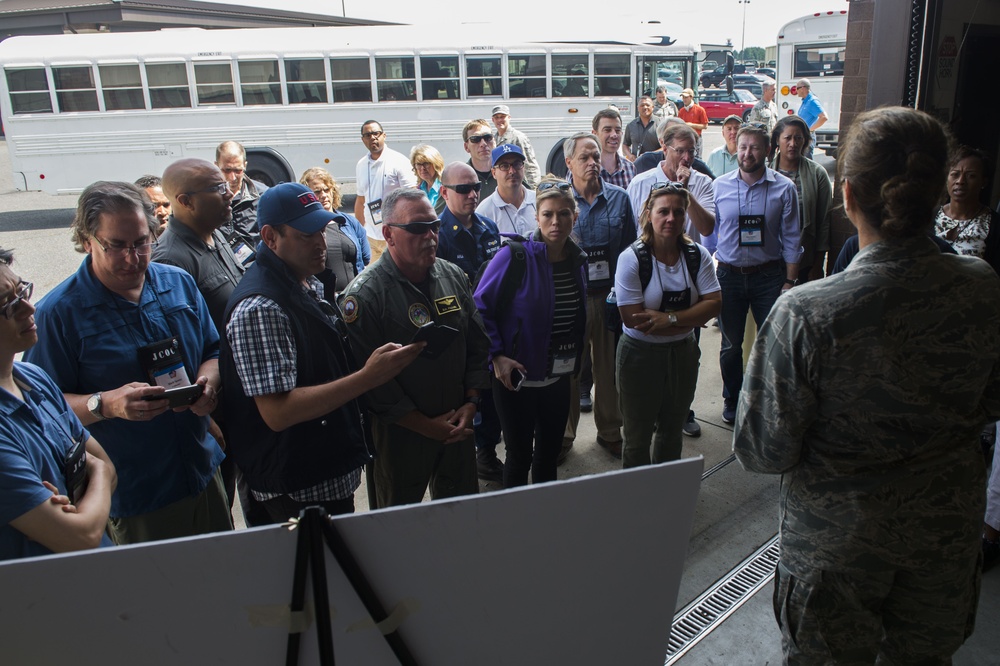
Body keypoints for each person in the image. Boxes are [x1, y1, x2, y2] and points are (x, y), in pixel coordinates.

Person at [733, 106, 1000, 664]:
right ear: (936, 195)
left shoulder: (806, 313)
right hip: (944, 539)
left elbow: (762, 449)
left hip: (836, 548)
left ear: (848, 195)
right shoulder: (982, 289)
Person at [24, 181, 231, 545]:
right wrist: (105, 405)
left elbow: (213, 351)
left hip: (201, 472)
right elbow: (42, 411)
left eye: (141, 243)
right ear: (87, 240)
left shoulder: (178, 283)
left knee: (224, 589)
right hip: (137, 499)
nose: (132, 258)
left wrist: (207, 384)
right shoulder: (58, 315)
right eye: (116, 246)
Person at [221, 183, 422, 523]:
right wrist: (366, 378)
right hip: (298, 488)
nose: (321, 244)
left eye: (322, 230)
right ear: (270, 237)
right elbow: (277, 412)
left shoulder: (303, 281)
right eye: (306, 235)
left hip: (325, 471)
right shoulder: (261, 307)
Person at [340, 188, 491, 508]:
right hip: (399, 436)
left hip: (456, 424)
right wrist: (425, 427)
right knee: (395, 527)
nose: (431, 236)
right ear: (388, 235)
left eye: (434, 226)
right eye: (417, 229)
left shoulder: (452, 276)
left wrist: (472, 403)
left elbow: (477, 343)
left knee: (461, 516)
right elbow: (369, 384)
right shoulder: (364, 296)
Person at [0, 248, 117, 561]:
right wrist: (98, 475)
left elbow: (106, 464)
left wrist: (100, 473)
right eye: (8, 307)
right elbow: (81, 537)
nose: (28, 307)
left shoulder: (32, 377)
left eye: (22, 290)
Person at [474, 176, 586, 487]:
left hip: (557, 378)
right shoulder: (514, 256)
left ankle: (543, 518)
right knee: (519, 455)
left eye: (564, 213)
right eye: (548, 214)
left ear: (574, 217)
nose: (556, 222)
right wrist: (496, 355)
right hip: (516, 382)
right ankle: (515, 524)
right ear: (536, 217)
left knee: (548, 455)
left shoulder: (577, 260)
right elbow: (479, 308)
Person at [615, 184, 720, 467]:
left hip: (682, 353)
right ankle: (636, 498)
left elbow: (714, 304)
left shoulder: (697, 255)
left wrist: (668, 319)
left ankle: (665, 494)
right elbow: (633, 320)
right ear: (649, 215)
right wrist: (692, 316)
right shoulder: (632, 258)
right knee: (637, 436)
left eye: (678, 212)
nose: (671, 218)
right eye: (663, 211)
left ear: (685, 216)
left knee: (672, 432)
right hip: (639, 355)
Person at [713, 123, 800, 425]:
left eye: (755, 147)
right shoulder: (719, 186)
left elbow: (791, 238)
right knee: (731, 344)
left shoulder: (784, 188)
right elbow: (711, 236)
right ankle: (732, 399)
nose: (747, 153)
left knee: (771, 344)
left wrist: (789, 281)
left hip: (769, 277)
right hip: (729, 276)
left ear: (768, 150)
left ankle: (767, 399)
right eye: (743, 146)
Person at [562, 133, 636, 460]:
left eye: (595, 157)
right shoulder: (558, 200)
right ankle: (563, 437)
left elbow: (632, 249)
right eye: (584, 158)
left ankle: (610, 432)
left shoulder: (620, 199)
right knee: (567, 370)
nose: (593, 163)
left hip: (609, 297)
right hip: (571, 298)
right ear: (569, 163)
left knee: (610, 371)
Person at [436, 161, 504, 483]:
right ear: (445, 192)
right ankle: (464, 457)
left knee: (488, 396)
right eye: (464, 189)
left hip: (487, 327)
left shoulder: (488, 228)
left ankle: (486, 453)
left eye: (476, 186)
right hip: (454, 330)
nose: (473, 194)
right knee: (461, 397)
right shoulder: (436, 234)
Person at [154, 158, 244, 331]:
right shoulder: (170, 261)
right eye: (217, 188)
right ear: (185, 201)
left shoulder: (215, 234)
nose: (229, 194)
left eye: (225, 185)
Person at [768, 116, 832, 283]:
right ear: (777, 139)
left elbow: (824, 222)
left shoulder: (817, 174)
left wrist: (818, 264)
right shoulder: (764, 172)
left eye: (798, 138)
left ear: (805, 141)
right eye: (787, 138)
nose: (793, 143)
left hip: (805, 263)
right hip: (768, 265)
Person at [300, 167, 370, 295]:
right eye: (317, 191)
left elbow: (365, 258)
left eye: (327, 190)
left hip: (355, 297)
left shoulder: (350, 222)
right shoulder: (305, 228)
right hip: (324, 300)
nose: (324, 195)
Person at [354, 120, 417, 261]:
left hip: (394, 234)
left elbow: (413, 196)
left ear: (384, 135)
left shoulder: (398, 160)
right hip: (370, 236)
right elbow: (360, 200)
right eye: (368, 135)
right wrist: (359, 232)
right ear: (363, 139)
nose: (373, 138)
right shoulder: (361, 164)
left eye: (376, 133)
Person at [934, 146, 1000, 274]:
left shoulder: (995, 226)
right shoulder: (927, 218)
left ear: (984, 182)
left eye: (971, 176)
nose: (960, 181)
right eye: (955, 174)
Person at [215, 141, 267, 265]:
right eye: (227, 170)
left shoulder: (263, 195)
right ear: (216, 166)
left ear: (245, 165)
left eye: (237, 170)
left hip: (256, 267)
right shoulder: (207, 199)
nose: (232, 177)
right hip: (222, 269)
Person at [476, 145, 537, 238]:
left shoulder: (539, 201)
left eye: (517, 164)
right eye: (504, 166)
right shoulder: (484, 212)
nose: (512, 171)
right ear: (494, 173)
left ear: (523, 168)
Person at [492, 105, 540, 189]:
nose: (499, 120)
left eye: (503, 117)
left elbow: (529, 164)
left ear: (509, 117)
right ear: (493, 120)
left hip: (520, 186)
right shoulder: (493, 139)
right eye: (496, 117)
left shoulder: (518, 137)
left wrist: (533, 187)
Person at [592, 108, 635, 189]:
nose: (614, 135)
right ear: (595, 134)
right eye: (607, 130)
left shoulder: (630, 168)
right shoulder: (582, 169)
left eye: (617, 130)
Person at [463, 118, 499, 200]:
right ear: (466, 147)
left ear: (495, 141)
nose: (483, 143)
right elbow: (438, 212)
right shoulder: (459, 177)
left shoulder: (508, 171)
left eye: (488, 137)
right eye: (475, 139)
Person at [794, 78, 828, 158]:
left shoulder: (812, 101)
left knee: (807, 165)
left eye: (797, 88)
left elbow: (824, 117)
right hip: (802, 136)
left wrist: (810, 130)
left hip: (808, 137)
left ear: (803, 88)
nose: (796, 90)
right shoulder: (805, 101)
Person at [410, 144, 446, 214]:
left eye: (426, 163)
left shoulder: (446, 187)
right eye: (418, 164)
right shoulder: (418, 190)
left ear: (436, 164)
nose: (423, 168)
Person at [677, 88, 709, 160]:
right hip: (685, 138)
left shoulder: (700, 110)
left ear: (691, 97)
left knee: (697, 159)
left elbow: (705, 126)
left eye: (686, 97)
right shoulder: (681, 111)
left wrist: (691, 125)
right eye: (683, 97)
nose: (684, 99)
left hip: (696, 138)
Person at [623, 96, 658, 161]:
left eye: (647, 105)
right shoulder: (631, 125)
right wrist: (630, 155)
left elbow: (666, 146)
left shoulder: (660, 124)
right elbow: (625, 145)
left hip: (656, 163)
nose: (645, 107)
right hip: (637, 165)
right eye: (642, 105)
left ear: (653, 107)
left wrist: (650, 155)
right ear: (638, 108)